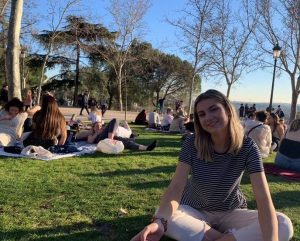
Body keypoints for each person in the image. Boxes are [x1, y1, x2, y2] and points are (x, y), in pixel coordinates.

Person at [131, 89, 293, 241]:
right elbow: (176, 187)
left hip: (231, 212)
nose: (208, 117)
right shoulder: (191, 143)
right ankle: (228, 237)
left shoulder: (248, 148)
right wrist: (159, 222)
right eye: (201, 114)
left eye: (214, 109)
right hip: (193, 210)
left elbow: (263, 198)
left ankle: (211, 236)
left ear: (228, 110)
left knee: (283, 224)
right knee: (162, 215)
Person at [80, 118, 157, 151]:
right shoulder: (92, 133)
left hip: (109, 139)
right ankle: (110, 139)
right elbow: (90, 141)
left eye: (100, 126)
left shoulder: (104, 130)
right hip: (102, 140)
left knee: (124, 142)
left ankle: (146, 148)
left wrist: (105, 129)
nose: (99, 127)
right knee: (115, 120)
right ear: (93, 128)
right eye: (97, 126)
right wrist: (97, 133)